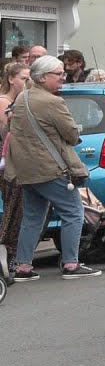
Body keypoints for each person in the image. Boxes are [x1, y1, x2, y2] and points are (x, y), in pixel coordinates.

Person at [7, 55, 99, 282]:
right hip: (51, 168)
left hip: (26, 169)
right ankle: (70, 263)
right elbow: (72, 134)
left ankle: (23, 267)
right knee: (73, 211)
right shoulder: (52, 102)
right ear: (43, 77)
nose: (63, 78)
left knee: (32, 216)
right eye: (58, 74)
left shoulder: (22, 99)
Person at [0, 61, 31, 276]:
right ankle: (8, 254)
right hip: (7, 166)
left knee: (18, 209)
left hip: (14, 163)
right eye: (24, 79)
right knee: (13, 210)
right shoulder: (4, 103)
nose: (27, 83)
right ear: (11, 79)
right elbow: (7, 135)